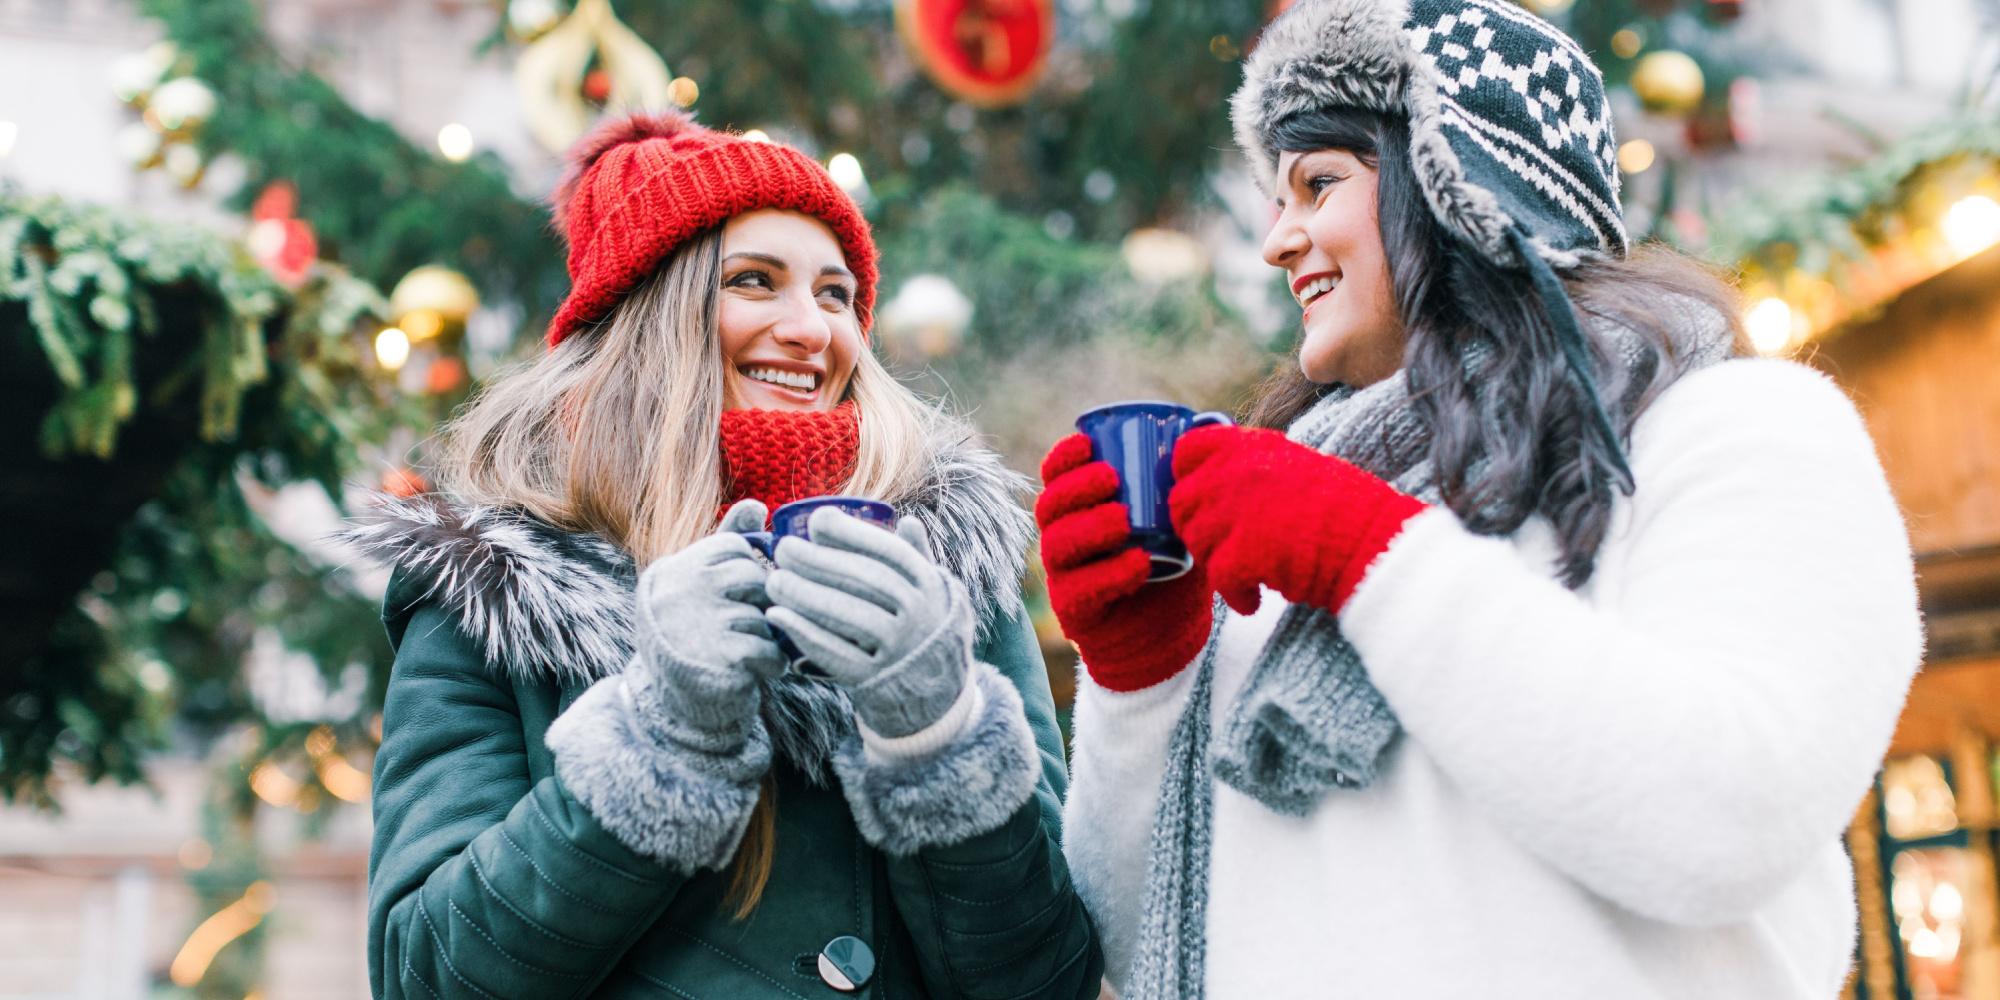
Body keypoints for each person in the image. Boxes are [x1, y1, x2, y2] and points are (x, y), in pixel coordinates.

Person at [1037, 2, 1922, 998]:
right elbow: (1143, 938)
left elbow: (1726, 815)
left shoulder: (1735, 429)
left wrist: (1368, 555)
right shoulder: (1282, 527)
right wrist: (1141, 676)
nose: (1278, 240)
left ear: (1457, 184)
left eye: (1317, 183)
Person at [347, 111, 1101, 999]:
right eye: (755, 281)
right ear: (648, 321)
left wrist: (937, 735)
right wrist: (657, 736)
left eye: (833, 293)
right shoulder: (498, 596)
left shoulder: (945, 581)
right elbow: (428, 976)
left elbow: (1048, 980)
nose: (812, 330)